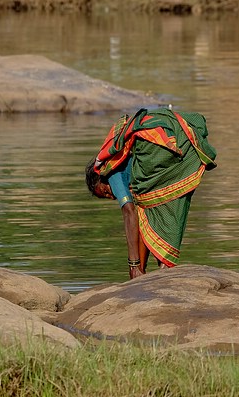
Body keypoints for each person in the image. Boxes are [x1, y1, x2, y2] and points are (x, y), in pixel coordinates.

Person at [85, 106, 217, 280]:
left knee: (140, 207)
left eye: (105, 192)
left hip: (160, 144)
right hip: (180, 139)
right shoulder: (141, 183)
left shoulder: (110, 172)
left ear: (100, 178)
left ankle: (147, 268)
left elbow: (129, 212)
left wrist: (133, 267)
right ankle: (163, 266)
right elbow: (140, 222)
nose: (112, 195)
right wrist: (141, 270)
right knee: (171, 203)